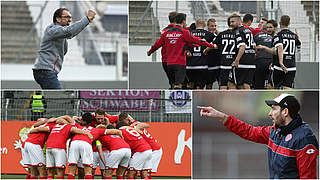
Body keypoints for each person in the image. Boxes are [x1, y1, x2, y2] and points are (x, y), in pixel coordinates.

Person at [198, 93, 318, 179]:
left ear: (285, 112)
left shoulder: (304, 138)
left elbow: (308, 177)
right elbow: (249, 131)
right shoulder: (275, 132)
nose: (269, 113)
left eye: (273, 109)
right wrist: (221, 116)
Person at [147, 13, 216, 89]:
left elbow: (157, 44)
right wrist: (212, 46)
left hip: (169, 64)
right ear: (183, 21)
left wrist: (150, 52)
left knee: (173, 85)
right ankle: (178, 100)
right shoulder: (184, 32)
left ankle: (171, 99)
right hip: (180, 64)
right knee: (179, 86)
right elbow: (197, 40)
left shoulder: (166, 33)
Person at [33, 8, 96, 89]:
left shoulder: (59, 33)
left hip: (45, 71)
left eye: (70, 17)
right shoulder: (53, 29)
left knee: (52, 98)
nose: (69, 20)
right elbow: (69, 31)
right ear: (58, 19)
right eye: (66, 17)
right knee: (59, 98)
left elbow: (70, 33)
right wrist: (87, 19)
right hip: (45, 71)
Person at [257, 15, 301, 89]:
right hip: (291, 66)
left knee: (271, 86)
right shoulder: (294, 35)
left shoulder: (278, 35)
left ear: (280, 23)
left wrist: (280, 62)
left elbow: (279, 48)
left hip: (279, 66)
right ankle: (287, 100)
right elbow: (299, 47)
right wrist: (298, 36)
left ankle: (275, 100)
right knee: (288, 87)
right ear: (289, 23)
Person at [186, 19, 216, 89]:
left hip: (190, 65)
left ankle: (191, 99)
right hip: (202, 65)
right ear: (205, 25)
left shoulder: (189, 33)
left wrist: (187, 51)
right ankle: (199, 99)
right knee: (199, 87)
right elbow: (217, 43)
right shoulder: (209, 34)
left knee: (190, 85)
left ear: (195, 25)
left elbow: (182, 45)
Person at [228, 13, 256, 89]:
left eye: (233, 22)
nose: (231, 24)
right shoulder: (248, 31)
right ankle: (248, 101)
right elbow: (254, 46)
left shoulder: (238, 31)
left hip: (242, 62)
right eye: (230, 22)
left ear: (239, 21)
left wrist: (237, 60)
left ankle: (234, 101)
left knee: (231, 83)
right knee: (245, 85)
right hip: (251, 62)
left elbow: (242, 46)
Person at [254, 19, 277, 89]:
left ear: (275, 28)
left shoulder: (277, 37)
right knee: (259, 84)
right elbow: (253, 47)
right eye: (267, 27)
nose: (268, 29)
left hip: (271, 62)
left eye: (270, 27)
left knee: (271, 84)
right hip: (260, 61)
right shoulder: (258, 35)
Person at [160, 11, 178, 89]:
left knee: (172, 82)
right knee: (179, 83)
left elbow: (159, 43)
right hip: (176, 61)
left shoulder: (164, 31)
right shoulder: (179, 31)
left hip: (165, 60)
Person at [205, 18, 220, 89]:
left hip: (218, 64)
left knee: (221, 84)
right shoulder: (206, 36)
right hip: (209, 65)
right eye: (212, 26)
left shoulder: (218, 36)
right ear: (207, 26)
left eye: (215, 26)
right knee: (209, 84)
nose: (214, 28)